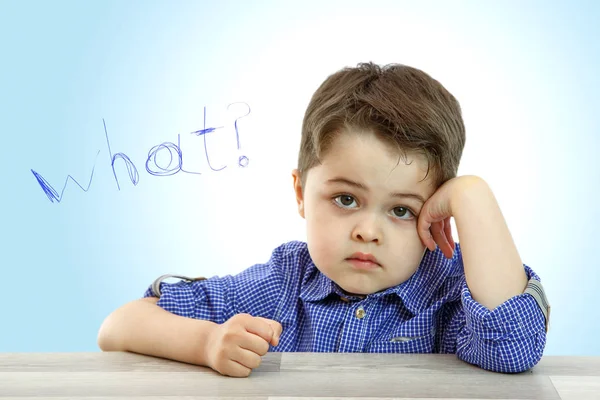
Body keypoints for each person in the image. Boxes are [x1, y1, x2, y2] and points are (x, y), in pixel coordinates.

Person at [98, 62, 550, 377]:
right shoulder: (283, 285)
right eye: (346, 199)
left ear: (437, 215)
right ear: (300, 192)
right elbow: (119, 326)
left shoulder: (448, 295)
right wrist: (208, 343)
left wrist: (473, 196)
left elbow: (511, 348)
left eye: (401, 210)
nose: (367, 231)